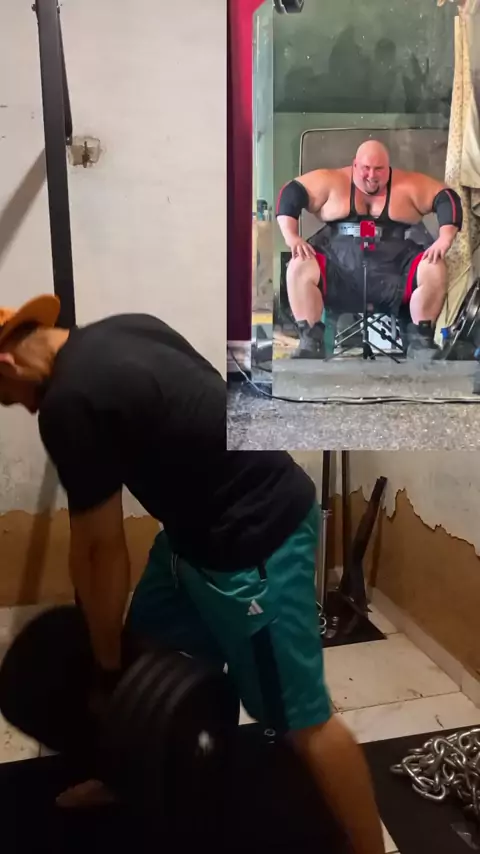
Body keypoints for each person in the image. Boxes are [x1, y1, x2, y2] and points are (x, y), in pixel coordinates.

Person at [0, 295, 385, 854]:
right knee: (145, 673)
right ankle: (124, 778)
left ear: (7, 364)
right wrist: (118, 676)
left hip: (256, 540)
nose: (20, 408)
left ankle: (371, 848)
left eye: (5, 397)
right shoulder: (123, 328)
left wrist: (104, 667)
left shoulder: (69, 401)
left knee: (302, 721)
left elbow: (100, 552)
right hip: (190, 538)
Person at [277, 139, 463, 359]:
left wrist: (444, 239)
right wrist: (291, 236)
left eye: (379, 169)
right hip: (338, 271)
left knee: (434, 266)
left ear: (388, 167)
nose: (372, 175)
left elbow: (447, 198)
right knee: (299, 264)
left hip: (395, 272)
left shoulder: (407, 185)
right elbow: (291, 193)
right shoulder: (332, 180)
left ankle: (421, 341)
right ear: (355, 164)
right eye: (366, 168)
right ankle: (310, 341)